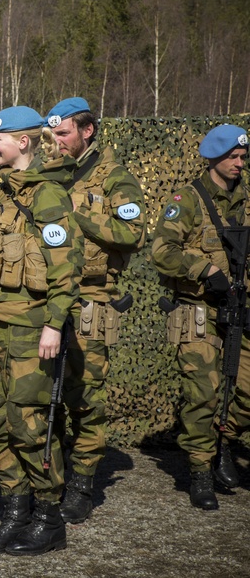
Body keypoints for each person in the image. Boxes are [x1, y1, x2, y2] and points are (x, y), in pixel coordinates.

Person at [0, 106, 83, 556]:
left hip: (29, 331)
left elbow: (66, 272)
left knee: (30, 423)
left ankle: (48, 519)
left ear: (22, 142)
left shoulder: (47, 196)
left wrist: (54, 325)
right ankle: (14, 513)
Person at [45, 97, 147, 523]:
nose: (56, 142)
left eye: (63, 133)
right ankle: (50, 479)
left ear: (88, 131)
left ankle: (83, 484)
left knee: (85, 397)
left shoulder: (115, 178)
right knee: (45, 394)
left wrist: (78, 214)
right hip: (47, 300)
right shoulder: (49, 171)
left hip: (91, 300)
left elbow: (132, 232)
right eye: (52, 135)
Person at [151, 123, 250, 510]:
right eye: (233, 157)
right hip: (197, 312)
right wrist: (205, 270)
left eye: (243, 157)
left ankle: (224, 439)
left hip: (239, 310)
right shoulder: (187, 201)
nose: (240, 163)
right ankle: (200, 472)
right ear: (214, 159)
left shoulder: (245, 201)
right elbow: (162, 251)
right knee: (203, 393)